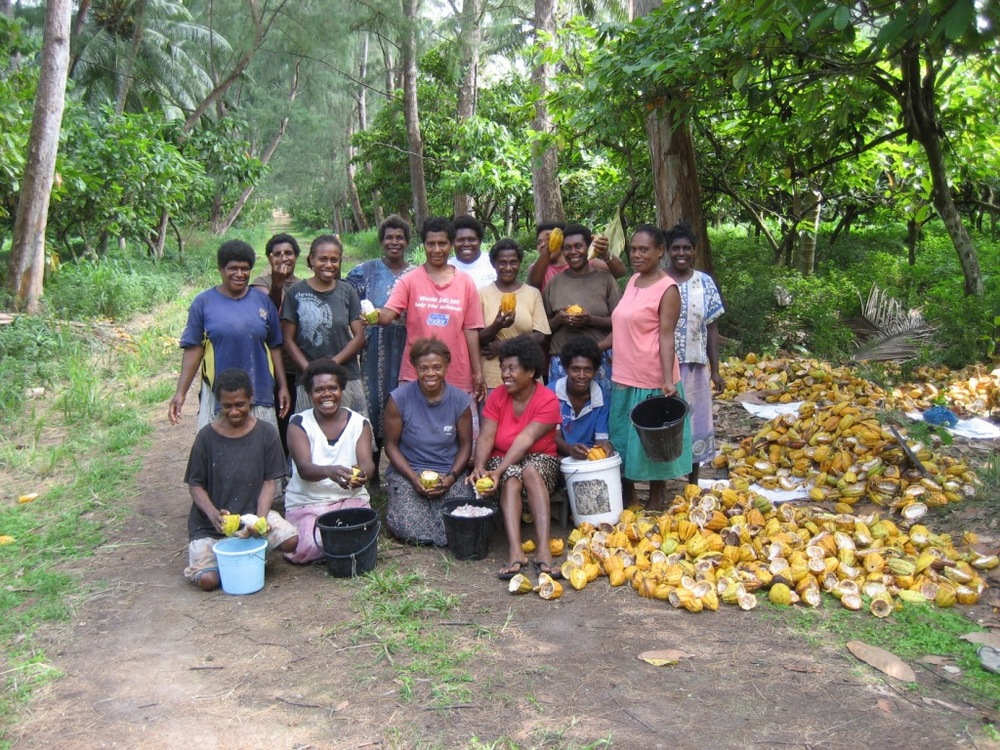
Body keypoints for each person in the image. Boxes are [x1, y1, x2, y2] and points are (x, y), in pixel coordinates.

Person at [182, 368, 298, 591]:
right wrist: (214, 515)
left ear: (251, 399)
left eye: (240, 404)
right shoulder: (206, 437)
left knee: (291, 541)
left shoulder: (266, 433)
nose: (234, 411)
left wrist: (259, 520)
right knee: (208, 581)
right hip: (210, 525)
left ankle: (247, 553)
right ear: (219, 403)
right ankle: (232, 559)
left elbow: (269, 482)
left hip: (250, 515)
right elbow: (195, 485)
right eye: (227, 406)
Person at [603, 224, 692, 508]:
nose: (637, 255)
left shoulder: (668, 289)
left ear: (660, 251)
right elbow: (622, 325)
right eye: (633, 250)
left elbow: (667, 336)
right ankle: (629, 497)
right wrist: (596, 349)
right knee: (623, 438)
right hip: (624, 375)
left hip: (653, 377)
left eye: (644, 250)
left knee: (654, 441)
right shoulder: (632, 281)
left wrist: (667, 380)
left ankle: (656, 498)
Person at [168, 240, 289, 430]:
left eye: (245, 269)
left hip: (259, 391)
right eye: (233, 268)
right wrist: (180, 393)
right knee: (218, 450)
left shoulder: (263, 302)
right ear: (221, 269)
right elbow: (194, 349)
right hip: (219, 395)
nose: (240, 274)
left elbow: (275, 347)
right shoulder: (203, 303)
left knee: (260, 450)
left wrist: (282, 386)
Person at [470, 336, 561, 580]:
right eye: (502, 368)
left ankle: (543, 549)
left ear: (530, 371)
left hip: (540, 459)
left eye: (511, 368)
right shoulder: (497, 396)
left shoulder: (548, 400)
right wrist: (480, 466)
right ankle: (515, 551)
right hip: (501, 460)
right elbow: (487, 436)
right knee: (511, 478)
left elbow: (525, 440)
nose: (505, 374)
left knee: (529, 470)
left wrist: (497, 473)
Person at [374, 217, 486, 401]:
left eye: (442, 243)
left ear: (450, 245)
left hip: (457, 373)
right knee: (416, 427)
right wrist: (371, 315)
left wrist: (477, 372)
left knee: (460, 429)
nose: (436, 250)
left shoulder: (465, 282)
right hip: (416, 373)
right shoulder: (409, 280)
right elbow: (387, 315)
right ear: (423, 245)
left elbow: (471, 330)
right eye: (430, 243)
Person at [383, 339, 476, 546]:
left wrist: (451, 478)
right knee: (409, 527)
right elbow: (390, 445)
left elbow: (465, 446)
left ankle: (439, 521)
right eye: (424, 368)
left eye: (437, 367)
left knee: (461, 519)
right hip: (410, 472)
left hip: (448, 472)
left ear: (446, 366)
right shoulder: (399, 399)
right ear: (415, 368)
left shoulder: (460, 401)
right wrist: (413, 478)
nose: (430, 373)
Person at [283, 360, 375, 564]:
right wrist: (329, 471)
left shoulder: (359, 423)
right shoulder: (299, 424)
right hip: (308, 502)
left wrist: (361, 476)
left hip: (348, 499)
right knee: (309, 545)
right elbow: (305, 469)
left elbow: (367, 463)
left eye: (333, 388)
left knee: (354, 531)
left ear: (342, 389)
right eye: (319, 389)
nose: (326, 394)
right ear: (309, 393)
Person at [345, 215, 416, 478]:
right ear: (381, 241)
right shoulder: (364, 271)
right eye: (389, 237)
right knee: (373, 404)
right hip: (373, 350)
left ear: (407, 242)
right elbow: (347, 304)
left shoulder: (416, 273)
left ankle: (403, 473)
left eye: (399, 237)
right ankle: (371, 470)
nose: (394, 242)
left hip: (408, 350)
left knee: (406, 407)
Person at [665, 223, 726, 482]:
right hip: (664, 365)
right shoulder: (659, 280)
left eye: (687, 248)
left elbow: (712, 329)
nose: (682, 253)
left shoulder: (705, 282)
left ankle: (693, 482)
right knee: (665, 422)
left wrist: (716, 371)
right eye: (676, 248)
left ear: (694, 251)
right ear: (667, 251)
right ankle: (662, 479)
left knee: (697, 422)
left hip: (695, 365)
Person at [281, 235, 367, 416]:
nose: (328, 265)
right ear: (311, 259)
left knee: (350, 433)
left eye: (334, 260)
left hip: (345, 376)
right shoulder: (295, 292)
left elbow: (359, 336)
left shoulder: (347, 291)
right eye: (322, 259)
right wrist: (309, 370)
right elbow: (288, 339)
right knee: (311, 436)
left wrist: (331, 365)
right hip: (309, 380)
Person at [542, 223, 620, 387]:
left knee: (602, 410)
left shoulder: (605, 280)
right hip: (561, 362)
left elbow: (620, 323)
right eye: (567, 248)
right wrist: (558, 320)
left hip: (599, 360)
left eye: (578, 246)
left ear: (589, 247)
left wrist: (590, 320)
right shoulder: (553, 284)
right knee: (561, 412)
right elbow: (542, 330)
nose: (573, 252)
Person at [478, 238, 550, 391]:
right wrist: (497, 326)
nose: (508, 267)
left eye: (513, 262)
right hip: (494, 378)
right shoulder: (481, 294)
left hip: (527, 375)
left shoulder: (532, 293)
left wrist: (504, 345)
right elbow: (477, 338)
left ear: (520, 263)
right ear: (493, 264)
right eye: (502, 262)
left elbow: (540, 336)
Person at [251, 233, 302, 451]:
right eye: (278, 254)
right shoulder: (261, 283)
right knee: (275, 421)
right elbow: (266, 313)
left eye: (289, 253)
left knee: (294, 420)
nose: (284, 258)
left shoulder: (302, 285)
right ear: (269, 258)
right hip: (271, 365)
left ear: (297, 257)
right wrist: (277, 284)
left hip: (296, 364)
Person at [547, 336, 613, 459]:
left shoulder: (602, 395)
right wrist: (571, 450)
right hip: (558, 456)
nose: (582, 376)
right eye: (575, 369)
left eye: (588, 370)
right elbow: (553, 436)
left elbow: (601, 438)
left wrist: (604, 446)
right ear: (566, 369)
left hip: (588, 455)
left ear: (595, 371)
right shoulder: (550, 393)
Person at [527, 222, 626, 291]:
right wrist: (547, 251)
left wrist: (605, 253)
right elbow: (533, 283)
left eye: (549, 239)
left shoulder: (585, 262)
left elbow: (620, 272)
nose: (543, 245)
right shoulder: (536, 268)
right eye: (539, 242)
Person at [448, 214, 497, 289]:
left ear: (480, 241)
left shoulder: (494, 262)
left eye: (471, 239)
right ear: (452, 243)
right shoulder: (446, 268)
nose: (466, 244)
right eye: (460, 240)